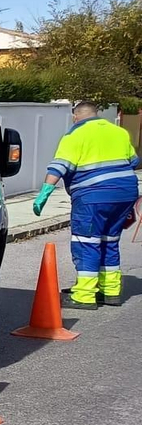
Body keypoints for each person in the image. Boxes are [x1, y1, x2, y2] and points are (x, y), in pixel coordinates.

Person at [32, 101, 140, 308]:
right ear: (96, 114)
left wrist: (45, 193)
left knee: (86, 241)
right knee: (109, 240)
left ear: (76, 116)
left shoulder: (75, 135)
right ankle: (110, 291)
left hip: (94, 195)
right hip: (126, 193)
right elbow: (134, 161)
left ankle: (84, 295)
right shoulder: (119, 132)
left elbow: (59, 167)